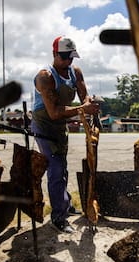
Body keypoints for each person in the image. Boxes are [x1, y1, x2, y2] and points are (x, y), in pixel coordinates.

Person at [31, 36, 100, 233]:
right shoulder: (45, 77)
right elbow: (53, 112)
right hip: (44, 125)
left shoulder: (74, 72)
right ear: (54, 54)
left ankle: (66, 205)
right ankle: (58, 218)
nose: (68, 61)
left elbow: (83, 96)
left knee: (63, 167)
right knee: (55, 169)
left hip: (60, 126)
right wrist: (82, 109)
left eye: (71, 57)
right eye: (64, 57)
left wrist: (90, 104)